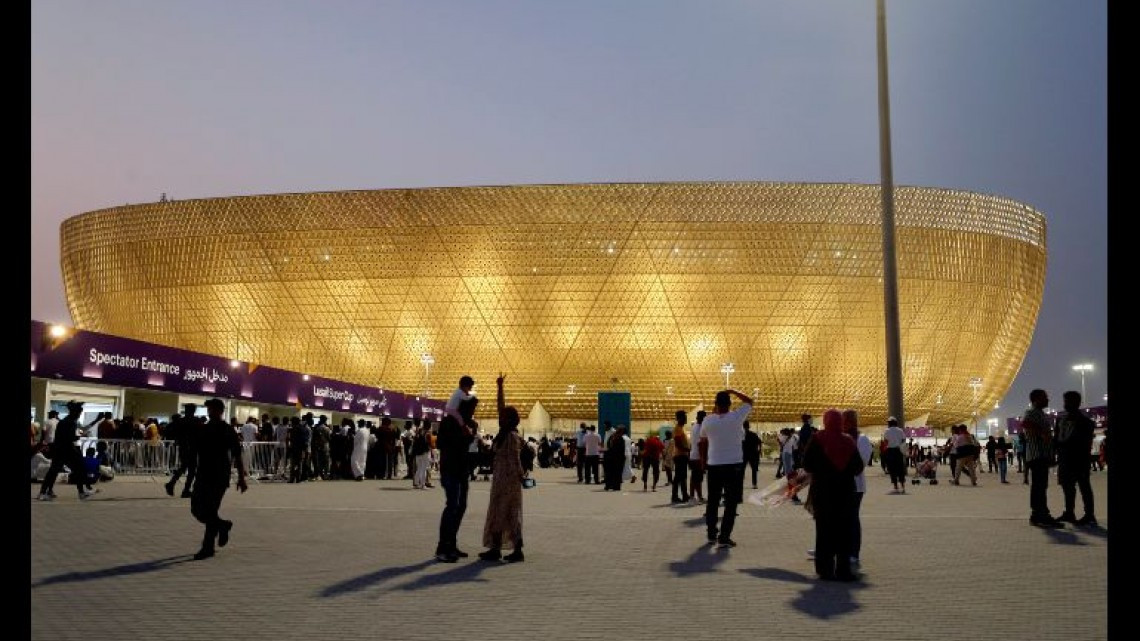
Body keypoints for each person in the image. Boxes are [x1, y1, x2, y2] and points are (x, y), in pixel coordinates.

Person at [802, 409, 864, 581]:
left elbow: (806, 464)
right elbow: (858, 467)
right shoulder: (849, 441)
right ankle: (843, 570)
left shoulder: (817, 439)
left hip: (822, 493)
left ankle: (824, 569)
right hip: (845, 494)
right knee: (844, 532)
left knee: (823, 531)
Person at [190, 398, 248, 560]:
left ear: (220, 411)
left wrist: (241, 479)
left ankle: (207, 548)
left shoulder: (227, 430)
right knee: (196, 509)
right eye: (208, 409)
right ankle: (223, 525)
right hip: (202, 474)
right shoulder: (204, 429)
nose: (210, 412)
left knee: (210, 510)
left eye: (212, 409)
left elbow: (237, 454)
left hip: (219, 476)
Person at [479, 374, 525, 563]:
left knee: (510, 514)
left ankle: (517, 550)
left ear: (510, 420)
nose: (501, 417)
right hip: (500, 480)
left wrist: (521, 476)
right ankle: (496, 548)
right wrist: (499, 387)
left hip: (510, 481)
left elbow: (515, 459)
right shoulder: (503, 433)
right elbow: (501, 407)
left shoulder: (511, 436)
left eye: (504, 416)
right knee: (497, 513)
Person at [699, 389, 753, 548]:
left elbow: (702, 442)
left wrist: (703, 462)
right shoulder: (737, 416)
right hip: (733, 466)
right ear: (729, 404)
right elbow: (749, 401)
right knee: (731, 503)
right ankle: (724, 536)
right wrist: (734, 391)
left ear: (715, 404)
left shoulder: (708, 421)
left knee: (713, 501)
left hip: (714, 465)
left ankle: (711, 533)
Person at [435, 391, 476, 562]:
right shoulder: (447, 422)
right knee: (452, 506)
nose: (472, 412)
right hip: (450, 469)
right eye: (471, 409)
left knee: (461, 507)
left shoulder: (467, 423)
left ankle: (452, 544)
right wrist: (463, 434)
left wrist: (470, 433)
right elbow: (440, 444)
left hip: (461, 470)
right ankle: (443, 548)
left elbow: (466, 444)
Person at [1055, 391, 1097, 526]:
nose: (1066, 404)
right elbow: (1056, 439)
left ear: (1077, 403)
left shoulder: (1086, 423)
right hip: (1065, 460)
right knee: (1067, 487)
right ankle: (1069, 513)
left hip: (1080, 460)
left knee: (1084, 486)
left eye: (1068, 401)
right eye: (1065, 401)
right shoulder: (1060, 420)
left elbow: (1085, 443)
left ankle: (1089, 514)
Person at [38, 401, 94, 501]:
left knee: (54, 471)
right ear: (75, 412)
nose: (79, 415)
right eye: (79, 413)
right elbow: (69, 437)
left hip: (60, 449)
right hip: (66, 449)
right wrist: (79, 436)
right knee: (77, 468)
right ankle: (81, 492)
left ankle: (43, 492)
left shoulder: (65, 421)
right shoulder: (70, 422)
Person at [1022, 389, 1062, 528]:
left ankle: (1038, 514)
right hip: (1036, 455)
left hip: (1041, 455)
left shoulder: (1040, 413)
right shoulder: (1031, 412)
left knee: (1040, 486)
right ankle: (1041, 515)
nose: (1047, 399)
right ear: (1036, 399)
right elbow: (1025, 423)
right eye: (1045, 397)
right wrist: (1042, 434)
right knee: (1039, 486)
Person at [843, 409, 872, 568]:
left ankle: (854, 553)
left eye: (844, 420)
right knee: (839, 519)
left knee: (852, 519)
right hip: (841, 485)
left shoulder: (862, 439)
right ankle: (833, 548)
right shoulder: (842, 438)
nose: (842, 423)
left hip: (855, 486)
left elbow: (862, 463)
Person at [165, 404, 199, 498]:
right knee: (191, 469)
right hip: (192, 447)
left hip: (183, 447)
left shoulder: (180, 421)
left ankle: (172, 484)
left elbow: (173, 432)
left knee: (184, 467)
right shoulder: (195, 421)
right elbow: (200, 434)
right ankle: (185, 490)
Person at [881, 417, 907, 493]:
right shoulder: (900, 430)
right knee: (900, 468)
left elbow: (885, 441)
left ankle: (896, 487)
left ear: (889, 423)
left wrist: (885, 450)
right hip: (898, 451)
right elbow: (903, 440)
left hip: (890, 451)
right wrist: (899, 443)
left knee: (892, 469)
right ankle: (903, 487)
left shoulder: (887, 431)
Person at [671, 413, 691, 504]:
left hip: (683, 455)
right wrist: (688, 450)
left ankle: (682, 495)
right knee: (680, 477)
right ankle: (679, 496)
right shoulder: (677, 429)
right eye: (684, 417)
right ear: (679, 418)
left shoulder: (682, 428)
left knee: (681, 477)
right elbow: (678, 443)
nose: (685, 419)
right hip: (680, 455)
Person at [689, 410, 707, 505]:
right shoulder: (701, 428)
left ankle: (692, 496)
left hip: (693, 455)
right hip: (698, 457)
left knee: (694, 478)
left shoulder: (694, 427)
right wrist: (703, 459)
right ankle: (699, 497)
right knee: (698, 479)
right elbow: (701, 445)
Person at [603, 425, 626, 491]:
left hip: (610, 456)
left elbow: (608, 445)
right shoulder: (620, 439)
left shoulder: (612, 436)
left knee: (610, 472)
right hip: (618, 458)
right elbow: (622, 450)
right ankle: (616, 486)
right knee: (618, 472)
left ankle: (608, 485)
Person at [743, 421, 761, 489]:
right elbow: (759, 442)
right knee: (754, 470)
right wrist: (759, 450)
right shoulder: (753, 434)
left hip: (744, 454)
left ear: (743, 427)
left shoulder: (741, 435)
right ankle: (754, 484)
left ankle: (740, 483)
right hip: (753, 454)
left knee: (742, 470)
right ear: (748, 426)